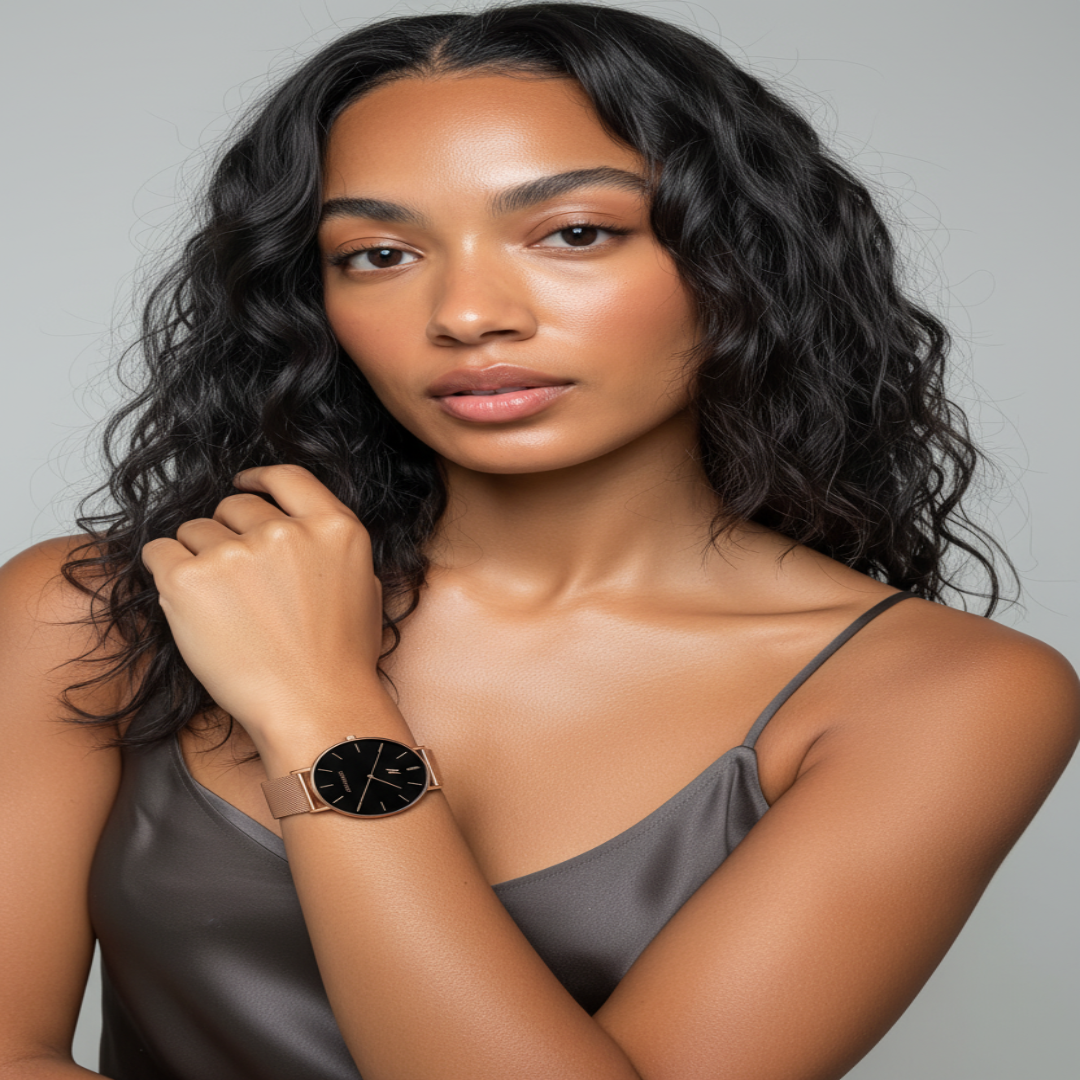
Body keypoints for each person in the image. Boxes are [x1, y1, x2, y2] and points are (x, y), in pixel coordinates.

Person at [1, 3, 1076, 1078]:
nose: (468, 315)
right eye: (379, 253)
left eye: (575, 233)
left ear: (739, 259)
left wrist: (320, 709)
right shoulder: (98, 611)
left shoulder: (944, 695)